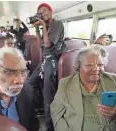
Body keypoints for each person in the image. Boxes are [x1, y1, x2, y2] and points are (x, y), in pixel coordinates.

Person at [51, 45, 116, 131]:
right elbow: (56, 114)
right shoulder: (66, 84)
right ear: (79, 66)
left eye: (100, 64)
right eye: (89, 65)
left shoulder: (113, 79)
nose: (96, 69)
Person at [26, 3, 67, 131]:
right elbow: (40, 44)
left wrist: (43, 26)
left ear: (50, 11)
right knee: (28, 85)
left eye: (44, 11)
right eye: (40, 13)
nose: (42, 14)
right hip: (44, 61)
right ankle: (37, 110)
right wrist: (37, 29)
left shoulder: (58, 24)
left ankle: (50, 127)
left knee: (48, 95)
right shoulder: (46, 26)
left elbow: (48, 44)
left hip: (53, 60)